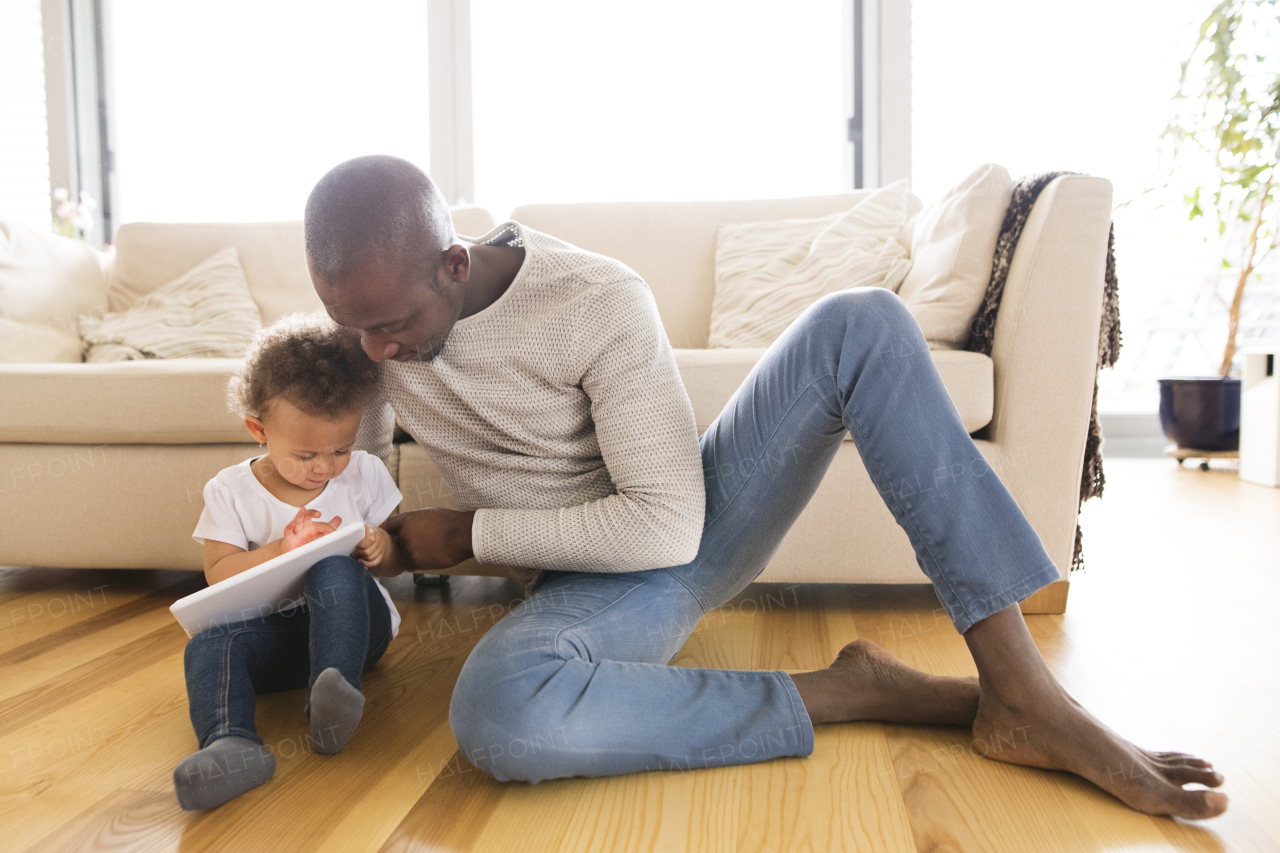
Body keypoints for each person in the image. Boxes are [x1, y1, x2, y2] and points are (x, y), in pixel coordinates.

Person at [305, 154, 1227, 820]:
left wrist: (471, 534)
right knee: (497, 711)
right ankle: (863, 690)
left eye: (392, 325)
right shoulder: (371, 329)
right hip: (574, 591)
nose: (377, 353)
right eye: (356, 331)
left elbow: (666, 526)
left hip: (680, 531)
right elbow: (362, 485)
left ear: (453, 265)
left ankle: (1023, 689)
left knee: (860, 322)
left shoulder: (595, 299)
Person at [173, 312, 406, 811]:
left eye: (340, 449)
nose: (325, 467)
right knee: (208, 647)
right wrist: (283, 549)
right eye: (305, 455)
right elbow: (218, 574)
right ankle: (230, 745)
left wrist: (380, 547)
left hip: (357, 631)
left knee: (335, 566)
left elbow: (395, 554)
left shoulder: (362, 474)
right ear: (259, 430)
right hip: (285, 637)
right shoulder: (231, 491)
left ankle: (334, 692)